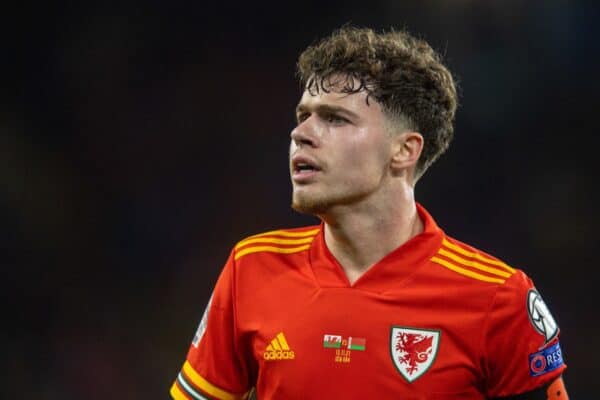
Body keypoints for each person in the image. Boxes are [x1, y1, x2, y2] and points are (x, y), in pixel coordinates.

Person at [170, 26, 568, 399]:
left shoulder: (499, 298)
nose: (301, 133)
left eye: (335, 118)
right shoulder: (251, 268)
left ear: (404, 150)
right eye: (303, 116)